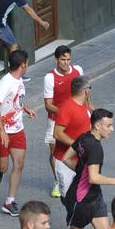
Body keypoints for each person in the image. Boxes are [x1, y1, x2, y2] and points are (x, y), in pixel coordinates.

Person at [58, 109, 115, 229]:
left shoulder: (83, 137)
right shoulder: (96, 148)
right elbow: (93, 178)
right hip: (81, 200)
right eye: (109, 125)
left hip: (95, 196)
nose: (112, 129)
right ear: (97, 126)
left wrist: (80, 172)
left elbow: (66, 158)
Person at [0, 49, 36, 217]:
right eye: (27, 63)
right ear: (23, 65)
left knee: (19, 164)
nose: (28, 65)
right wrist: (2, 131)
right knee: (4, 166)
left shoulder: (19, 79)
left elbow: (15, 100)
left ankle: (9, 201)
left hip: (17, 130)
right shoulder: (6, 83)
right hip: (0, 132)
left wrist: (25, 108)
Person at [43, 46, 85, 197]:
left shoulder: (78, 70)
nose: (66, 63)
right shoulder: (49, 77)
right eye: (62, 60)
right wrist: (66, 113)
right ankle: (57, 181)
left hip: (76, 120)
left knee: (79, 148)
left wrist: (89, 110)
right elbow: (48, 105)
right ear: (56, 59)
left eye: (68, 59)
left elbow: (84, 92)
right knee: (55, 153)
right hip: (55, 121)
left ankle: (79, 178)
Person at [53, 76, 92, 199]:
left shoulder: (84, 104)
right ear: (85, 90)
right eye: (90, 88)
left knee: (83, 196)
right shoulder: (67, 108)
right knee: (69, 198)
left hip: (82, 159)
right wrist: (78, 145)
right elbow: (57, 133)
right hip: (65, 161)